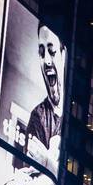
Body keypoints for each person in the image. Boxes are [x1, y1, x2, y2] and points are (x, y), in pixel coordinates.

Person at [25, 19, 66, 172]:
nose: (47, 60)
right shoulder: (38, 116)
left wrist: (47, 161)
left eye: (52, 52)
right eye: (42, 53)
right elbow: (32, 174)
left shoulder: (76, 115)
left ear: (63, 55)